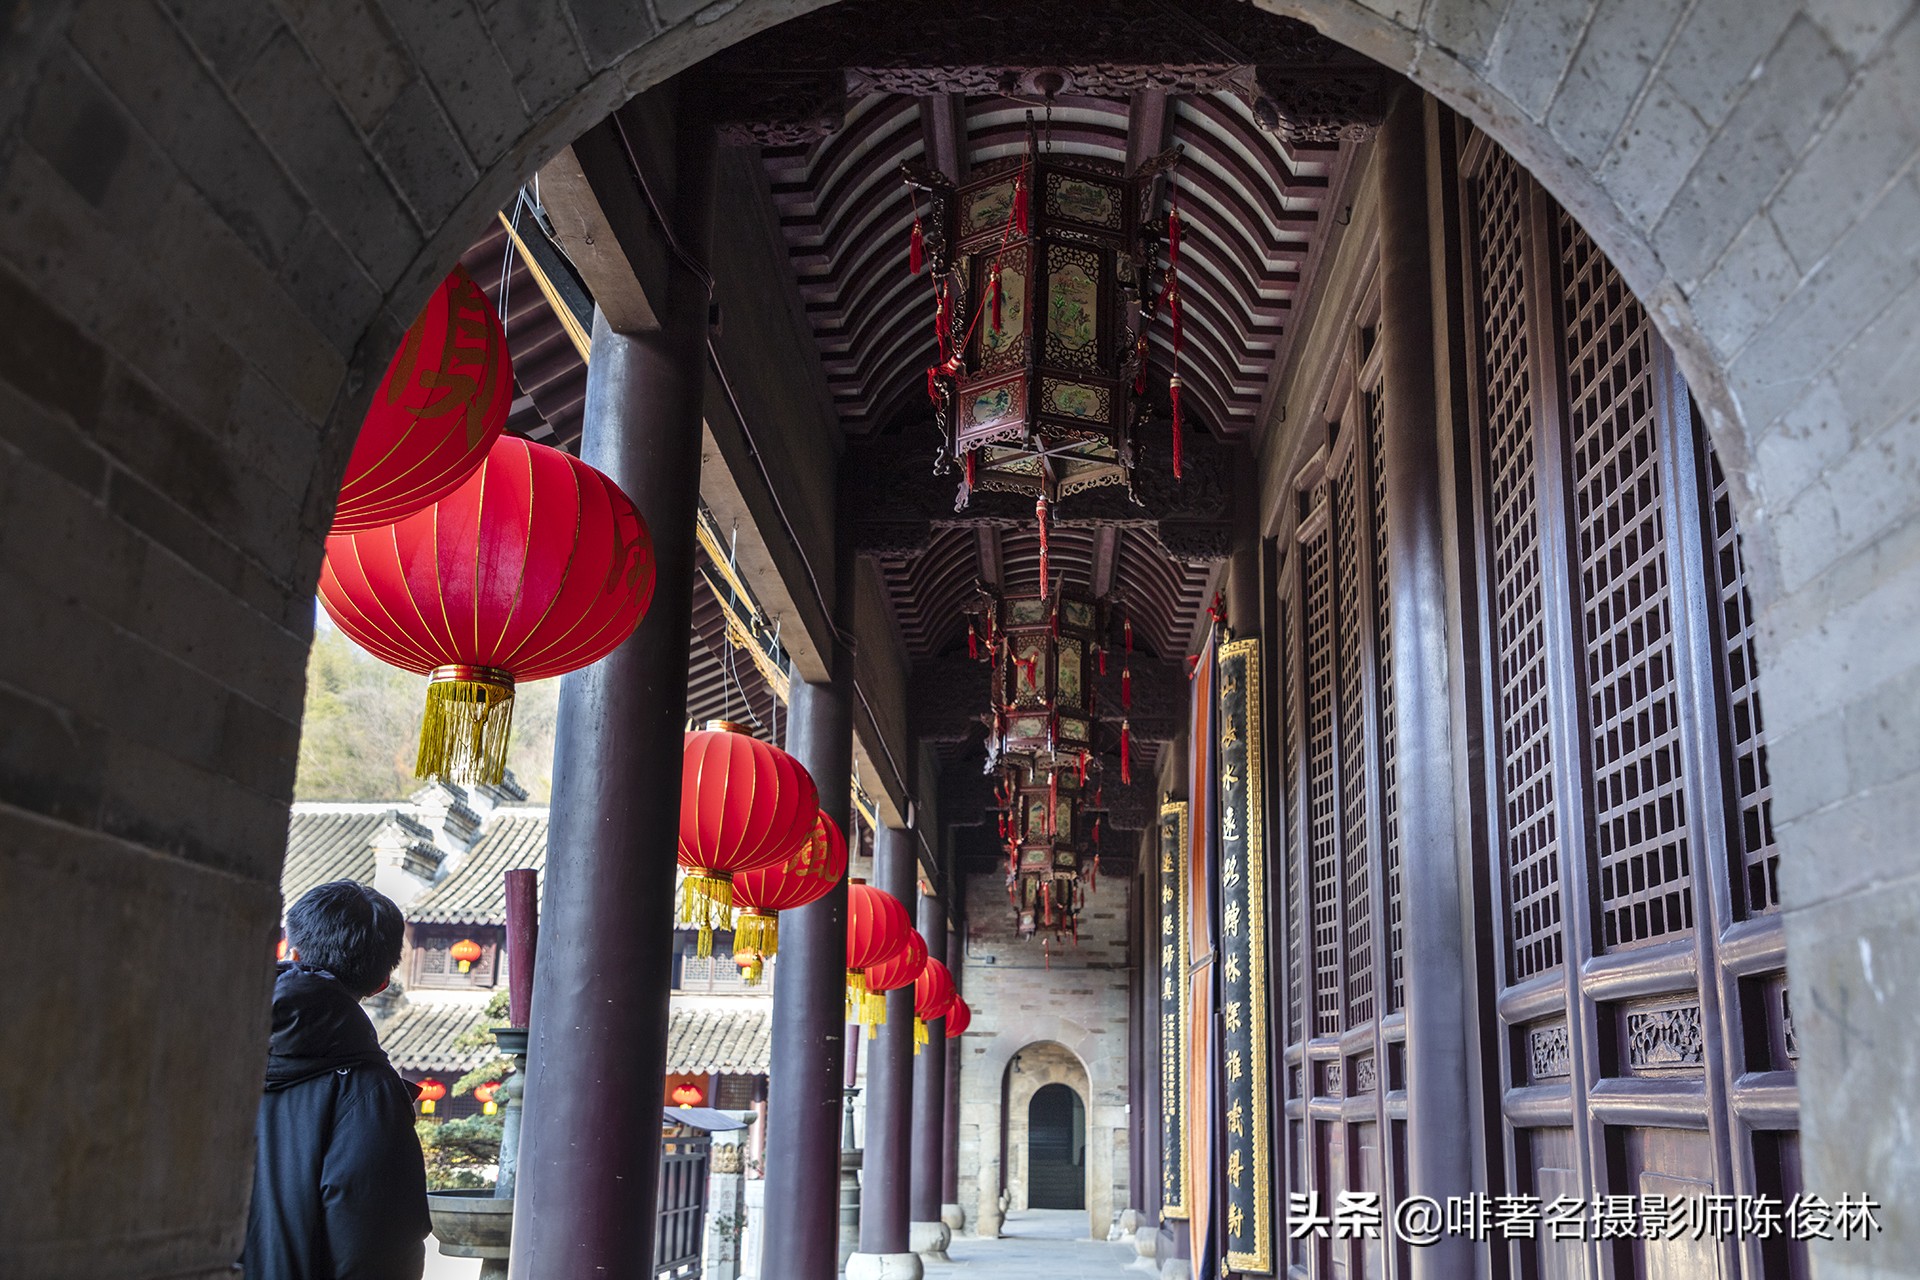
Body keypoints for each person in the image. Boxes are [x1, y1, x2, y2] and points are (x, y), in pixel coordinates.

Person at [244, 879, 432, 1279]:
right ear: (380, 985)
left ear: (292, 951)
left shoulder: (207, 1044)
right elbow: (375, 1249)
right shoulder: (371, 1091)